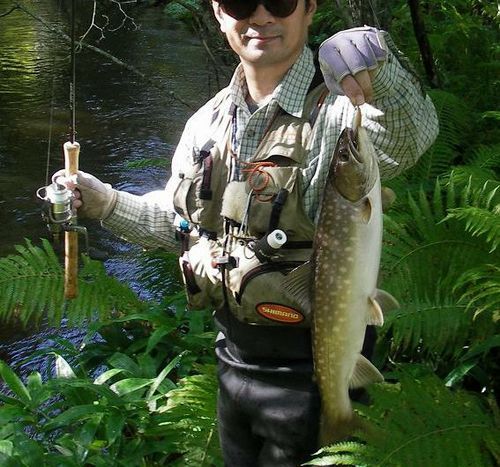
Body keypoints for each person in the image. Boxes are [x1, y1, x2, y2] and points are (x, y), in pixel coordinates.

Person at [57, 1, 439, 465]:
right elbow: (182, 222)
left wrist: (378, 64)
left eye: (279, 1)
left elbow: (406, 135)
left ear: (310, 8)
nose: (260, 17)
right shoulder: (207, 121)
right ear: (219, 13)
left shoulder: (342, 112)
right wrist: (107, 203)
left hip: (318, 370)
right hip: (234, 365)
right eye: (240, 2)